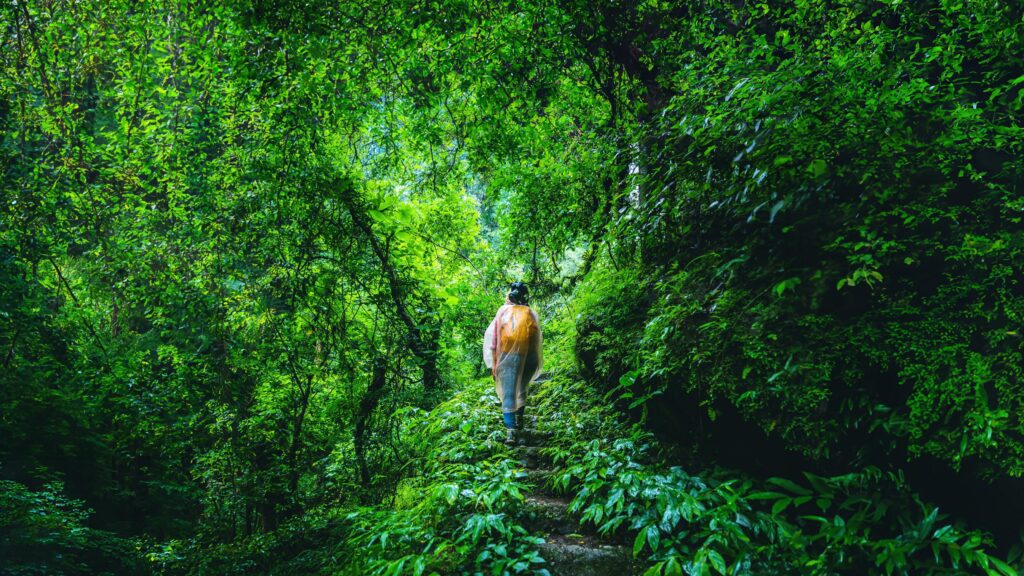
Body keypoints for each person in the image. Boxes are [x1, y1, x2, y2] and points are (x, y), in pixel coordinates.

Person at [483, 282, 543, 444]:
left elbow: (493, 339)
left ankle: (511, 432)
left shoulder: (502, 311)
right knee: (522, 389)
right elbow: (537, 340)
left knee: (508, 393)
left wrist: (493, 363)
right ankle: (520, 420)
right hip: (529, 357)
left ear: (511, 294)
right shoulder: (530, 312)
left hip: (507, 358)